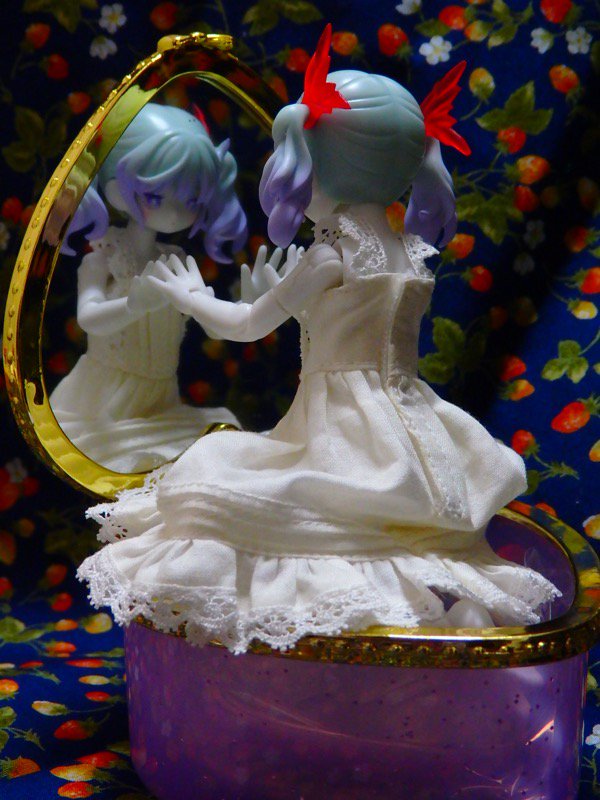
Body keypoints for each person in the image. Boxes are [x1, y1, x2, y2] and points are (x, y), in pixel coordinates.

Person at [78, 28, 558, 651]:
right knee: (389, 532)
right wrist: (293, 304)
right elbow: (357, 327)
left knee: (239, 486)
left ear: (322, 172)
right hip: (410, 422)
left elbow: (246, 327)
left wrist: (191, 295)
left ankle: (362, 632)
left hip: (342, 429)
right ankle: (443, 617)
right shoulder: (408, 253)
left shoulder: (331, 254)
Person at [50, 103, 248, 472]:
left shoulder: (174, 261)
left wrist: (244, 310)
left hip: (161, 398)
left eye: (191, 201)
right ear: (115, 185)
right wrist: (133, 304)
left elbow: (209, 322)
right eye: (154, 196)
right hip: (106, 403)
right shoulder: (104, 257)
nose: (173, 214)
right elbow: (89, 318)